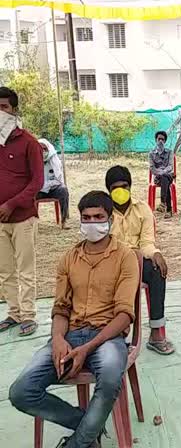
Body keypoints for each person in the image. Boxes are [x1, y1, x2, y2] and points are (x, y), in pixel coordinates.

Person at [9, 190, 139, 448]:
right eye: (86, 218)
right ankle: (90, 426)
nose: (92, 223)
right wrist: (57, 339)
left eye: (98, 217)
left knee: (111, 376)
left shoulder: (125, 256)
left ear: (109, 219)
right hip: (69, 336)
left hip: (107, 337)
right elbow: (61, 308)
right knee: (21, 392)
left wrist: (88, 348)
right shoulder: (69, 258)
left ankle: (77, 444)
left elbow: (124, 315)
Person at [105, 165, 175, 355]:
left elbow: (146, 242)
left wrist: (155, 254)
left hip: (136, 258)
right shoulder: (104, 211)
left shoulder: (142, 209)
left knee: (156, 270)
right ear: (109, 191)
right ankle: (115, 333)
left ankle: (156, 332)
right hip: (112, 260)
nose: (121, 192)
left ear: (130, 187)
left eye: (124, 186)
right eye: (115, 188)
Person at [0, 86, 44, 336]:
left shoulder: (29, 143)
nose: (0, 112)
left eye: (4, 107)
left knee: (25, 269)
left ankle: (28, 315)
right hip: (0, 221)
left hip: (23, 218)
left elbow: (37, 182)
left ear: (14, 110)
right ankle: (13, 313)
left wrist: (11, 204)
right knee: (5, 271)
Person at [36, 138, 70, 229]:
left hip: (53, 189)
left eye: (45, 149)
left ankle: (64, 221)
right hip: (38, 189)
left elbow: (58, 179)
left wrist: (47, 184)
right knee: (29, 195)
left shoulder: (54, 160)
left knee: (63, 190)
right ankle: (32, 223)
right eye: (40, 149)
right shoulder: (33, 159)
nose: (43, 151)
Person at [149, 130, 174, 218]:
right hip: (158, 178)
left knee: (165, 177)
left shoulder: (170, 152)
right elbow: (152, 168)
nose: (160, 141)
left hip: (168, 175)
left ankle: (163, 203)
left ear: (165, 141)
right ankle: (168, 209)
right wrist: (161, 173)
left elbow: (171, 166)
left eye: (162, 139)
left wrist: (163, 172)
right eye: (159, 139)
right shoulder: (151, 154)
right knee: (164, 179)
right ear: (156, 140)